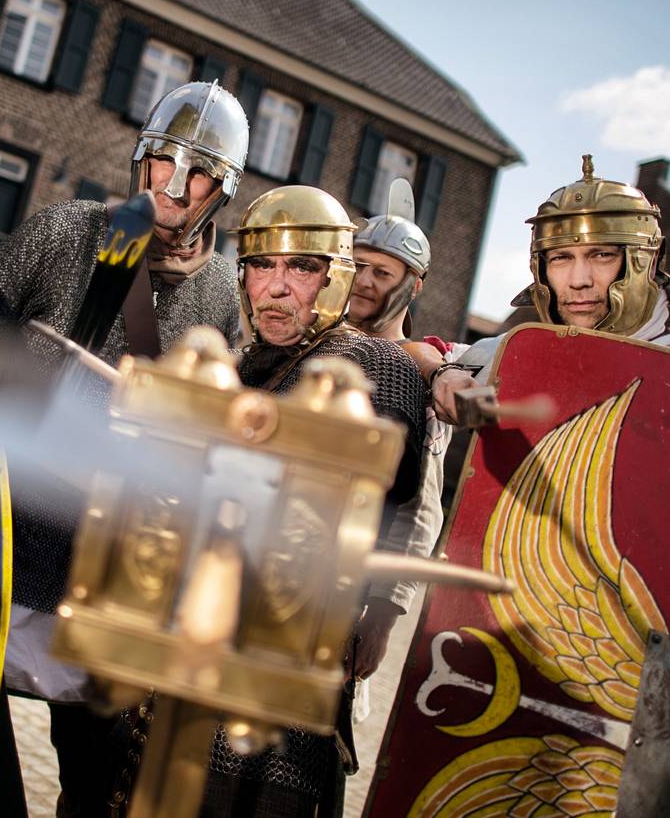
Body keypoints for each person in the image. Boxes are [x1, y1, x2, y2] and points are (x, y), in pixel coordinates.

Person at [0, 80, 250, 815]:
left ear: (221, 191)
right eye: (161, 162)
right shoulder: (64, 233)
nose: (172, 185)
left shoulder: (225, 293)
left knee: (99, 792)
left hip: (113, 575)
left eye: (196, 173)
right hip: (2, 542)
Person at [200, 184, 428, 818]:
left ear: (335, 278)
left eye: (301, 268)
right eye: (261, 266)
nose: (275, 287)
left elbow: (356, 496)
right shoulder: (245, 363)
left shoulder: (373, 365)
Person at [433, 155, 670, 424]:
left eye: (602, 255)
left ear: (646, 261)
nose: (578, 280)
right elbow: (411, 352)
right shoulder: (507, 358)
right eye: (561, 258)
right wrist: (442, 374)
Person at [345, 195, 448, 693]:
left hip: (345, 593)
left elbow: (419, 508)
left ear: (413, 284)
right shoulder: (323, 344)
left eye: (383, 273)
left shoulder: (419, 372)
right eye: (359, 266)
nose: (364, 281)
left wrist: (383, 614)